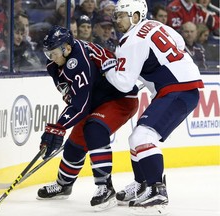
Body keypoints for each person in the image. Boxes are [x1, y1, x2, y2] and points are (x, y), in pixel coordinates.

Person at [89, 0, 204, 213]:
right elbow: (178, 43)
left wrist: (108, 68)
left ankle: (157, 191)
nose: (117, 20)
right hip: (183, 88)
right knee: (138, 137)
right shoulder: (158, 26)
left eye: (122, 15)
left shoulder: (130, 40)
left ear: (135, 16)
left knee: (142, 137)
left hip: (176, 90)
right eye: (117, 15)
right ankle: (142, 184)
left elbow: (123, 83)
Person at [36, 25, 139, 211]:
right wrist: (60, 127)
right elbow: (74, 98)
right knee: (75, 144)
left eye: (54, 53)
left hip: (120, 98)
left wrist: (58, 127)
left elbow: (80, 105)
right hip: (95, 100)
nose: (51, 57)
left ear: (66, 48)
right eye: (48, 53)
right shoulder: (55, 64)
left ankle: (105, 187)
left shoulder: (78, 59)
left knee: (94, 129)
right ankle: (63, 185)